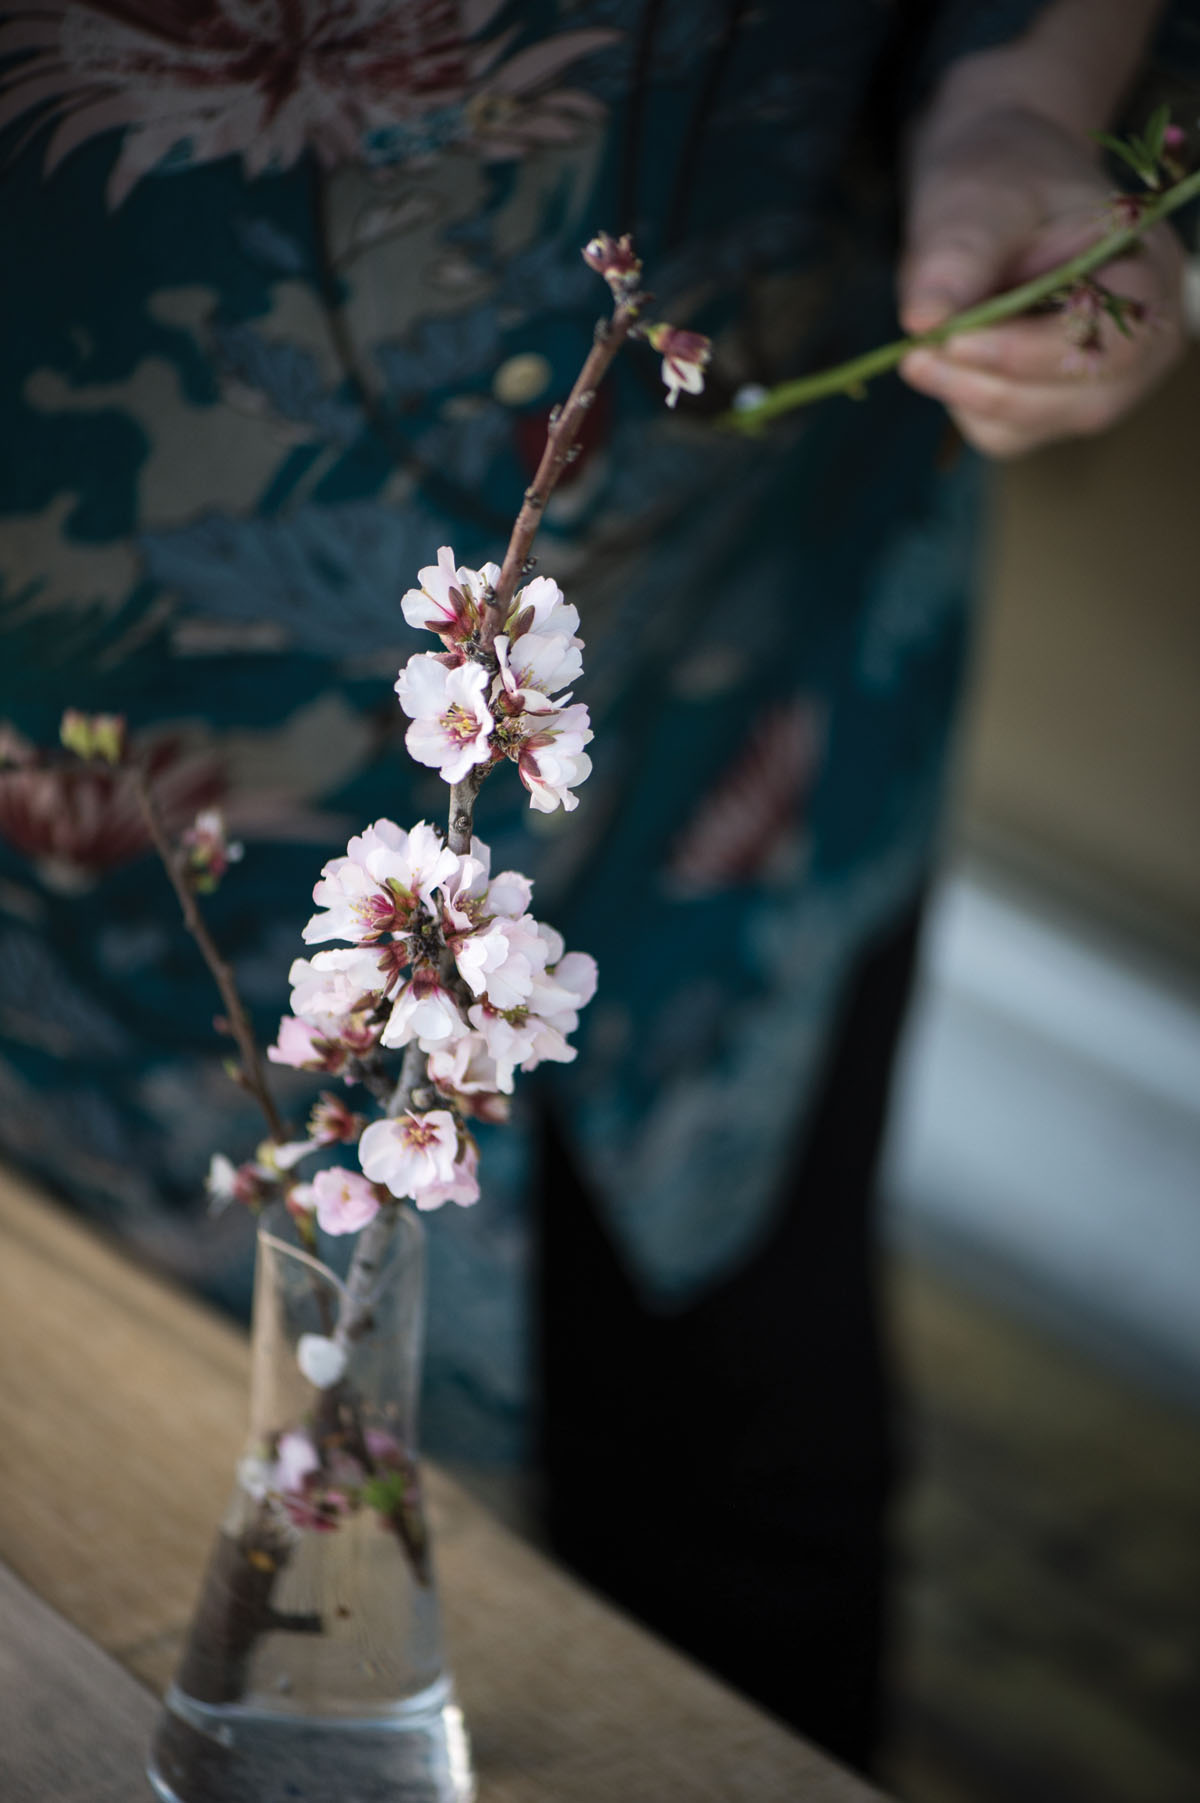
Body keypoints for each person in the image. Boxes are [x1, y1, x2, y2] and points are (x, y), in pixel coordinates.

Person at [0, 0, 1189, 1771]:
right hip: (111, 739)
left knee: (751, 1453)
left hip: (755, 646)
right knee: (97, 1486)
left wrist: (1029, 94)